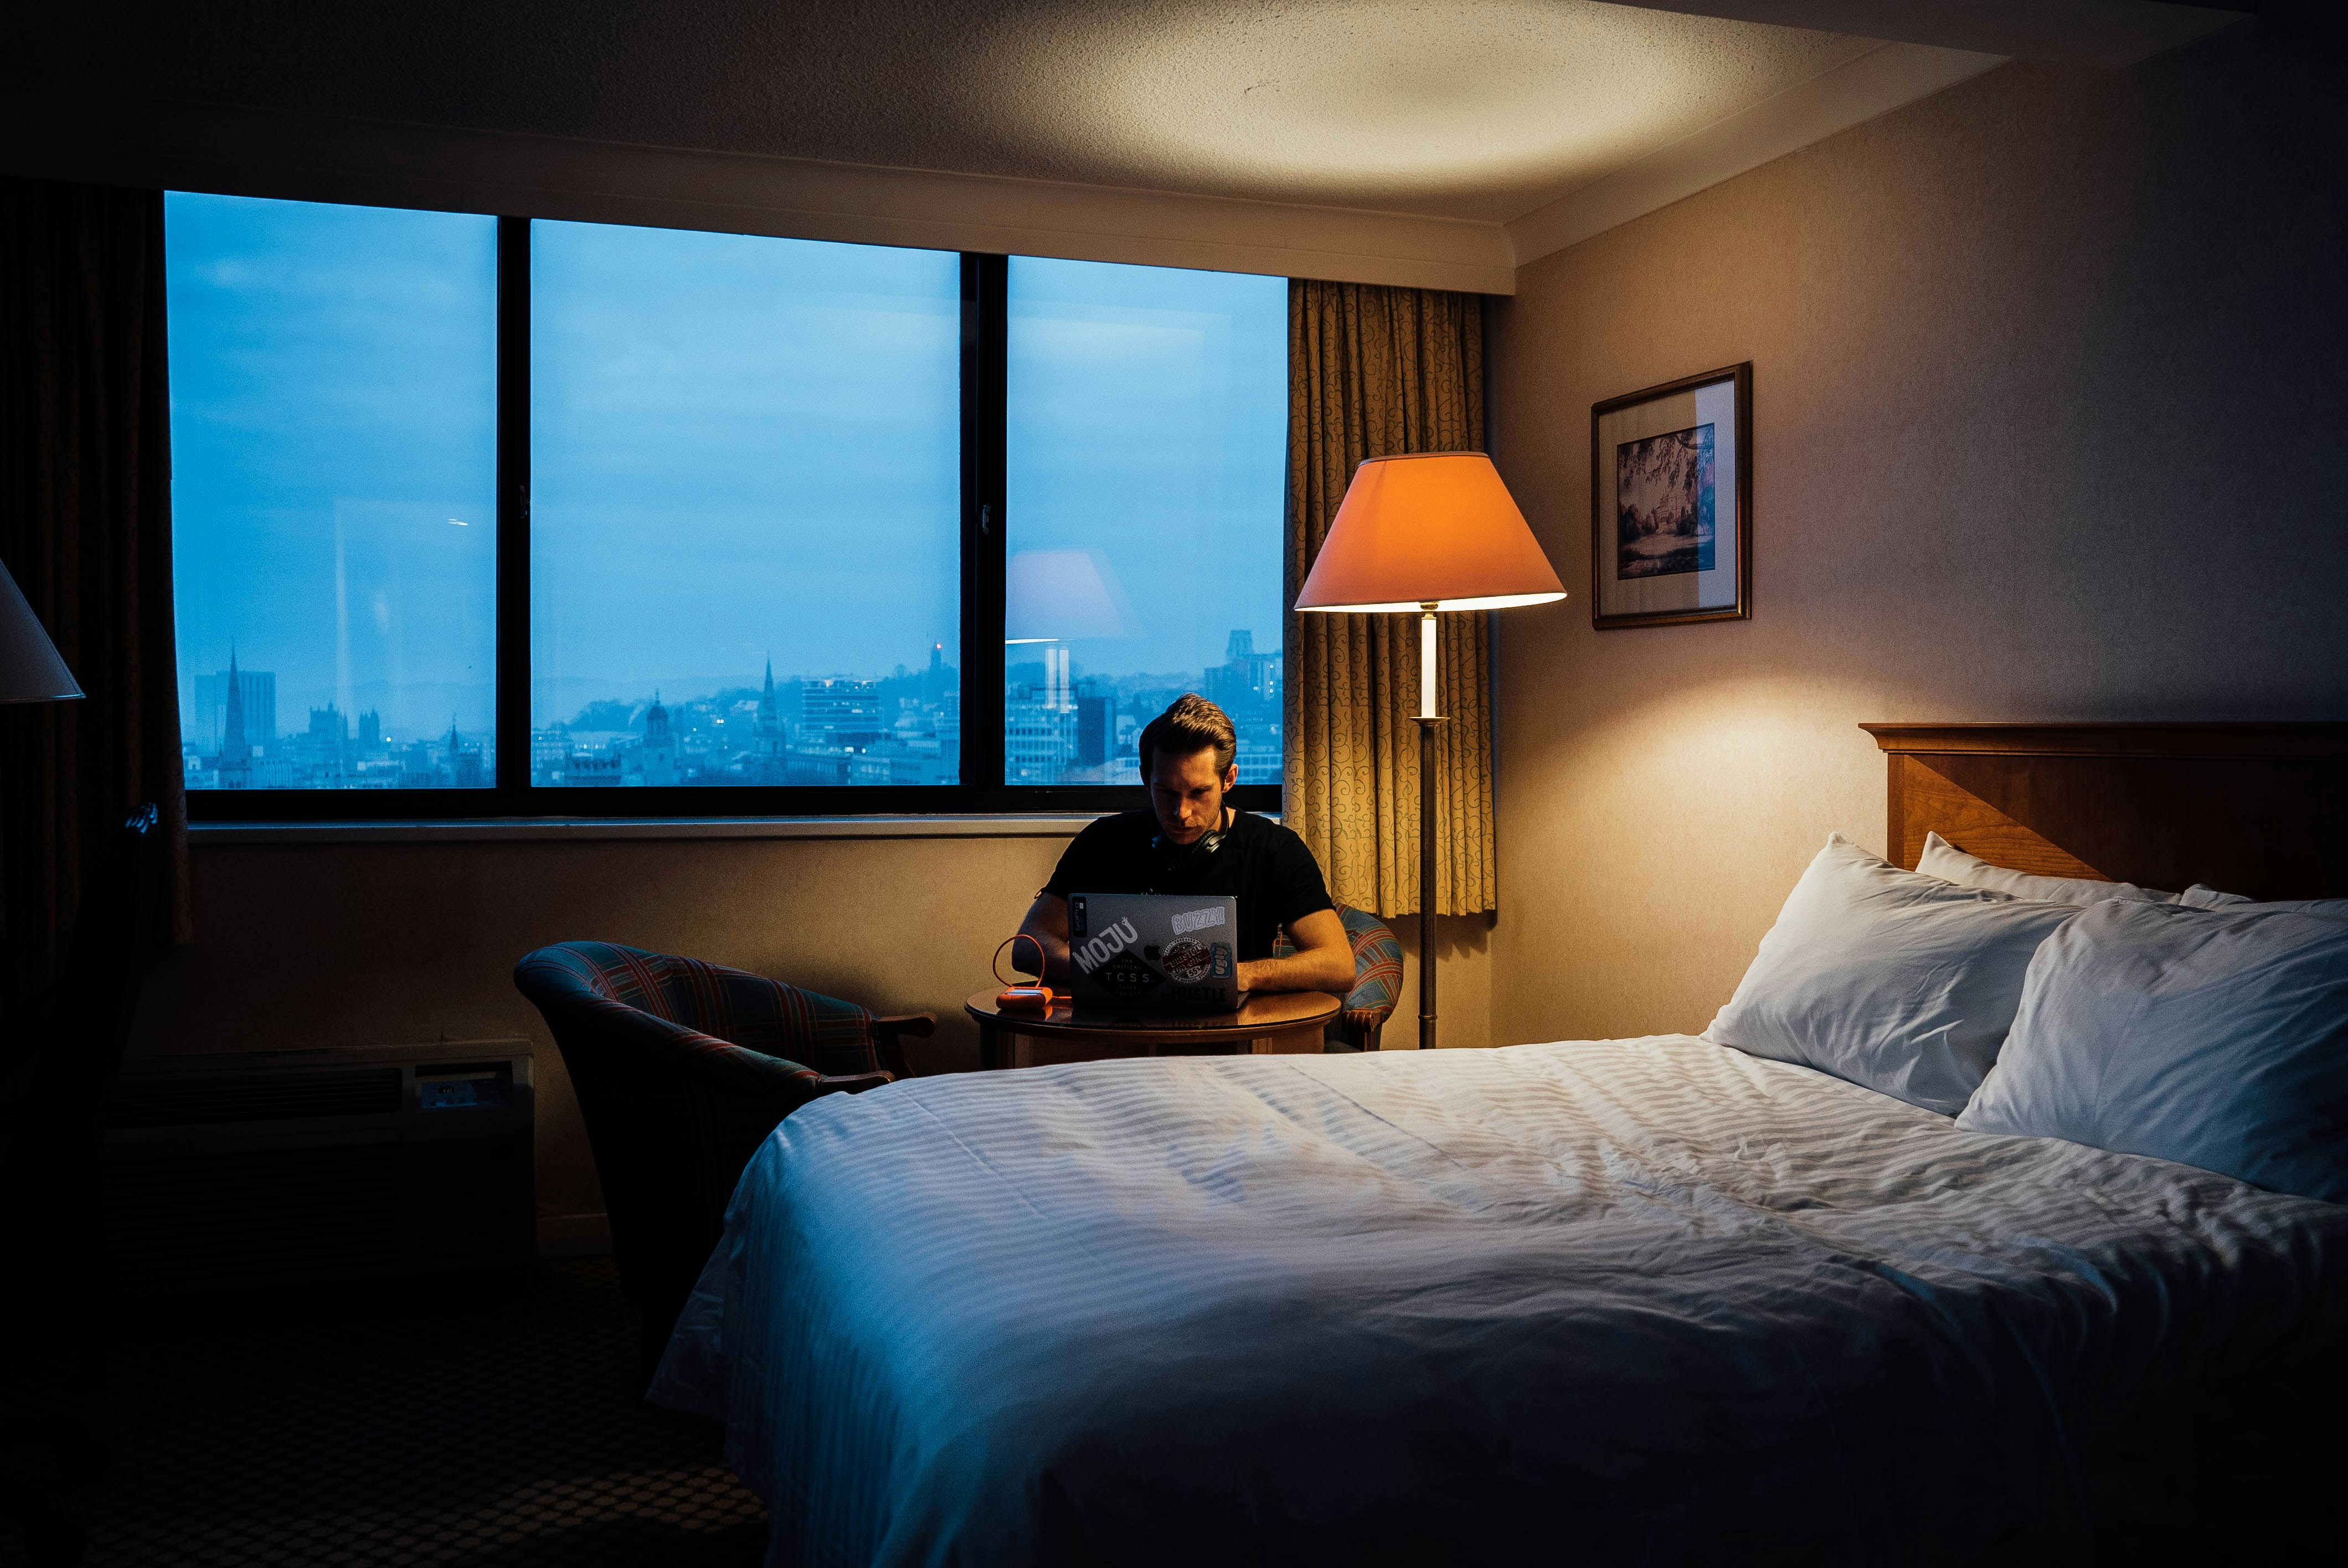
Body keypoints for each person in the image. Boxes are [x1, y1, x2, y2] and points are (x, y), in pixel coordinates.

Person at [1012, 694, 1356, 997]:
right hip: (1119, 1029)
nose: (1182, 813)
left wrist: (1240, 975)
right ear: (1146, 778)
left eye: (1198, 792)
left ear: (1229, 779)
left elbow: (1338, 965)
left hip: (1237, 1031)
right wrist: (1115, 973)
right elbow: (1028, 947)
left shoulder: (1275, 848)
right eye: (1167, 792)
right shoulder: (1101, 841)